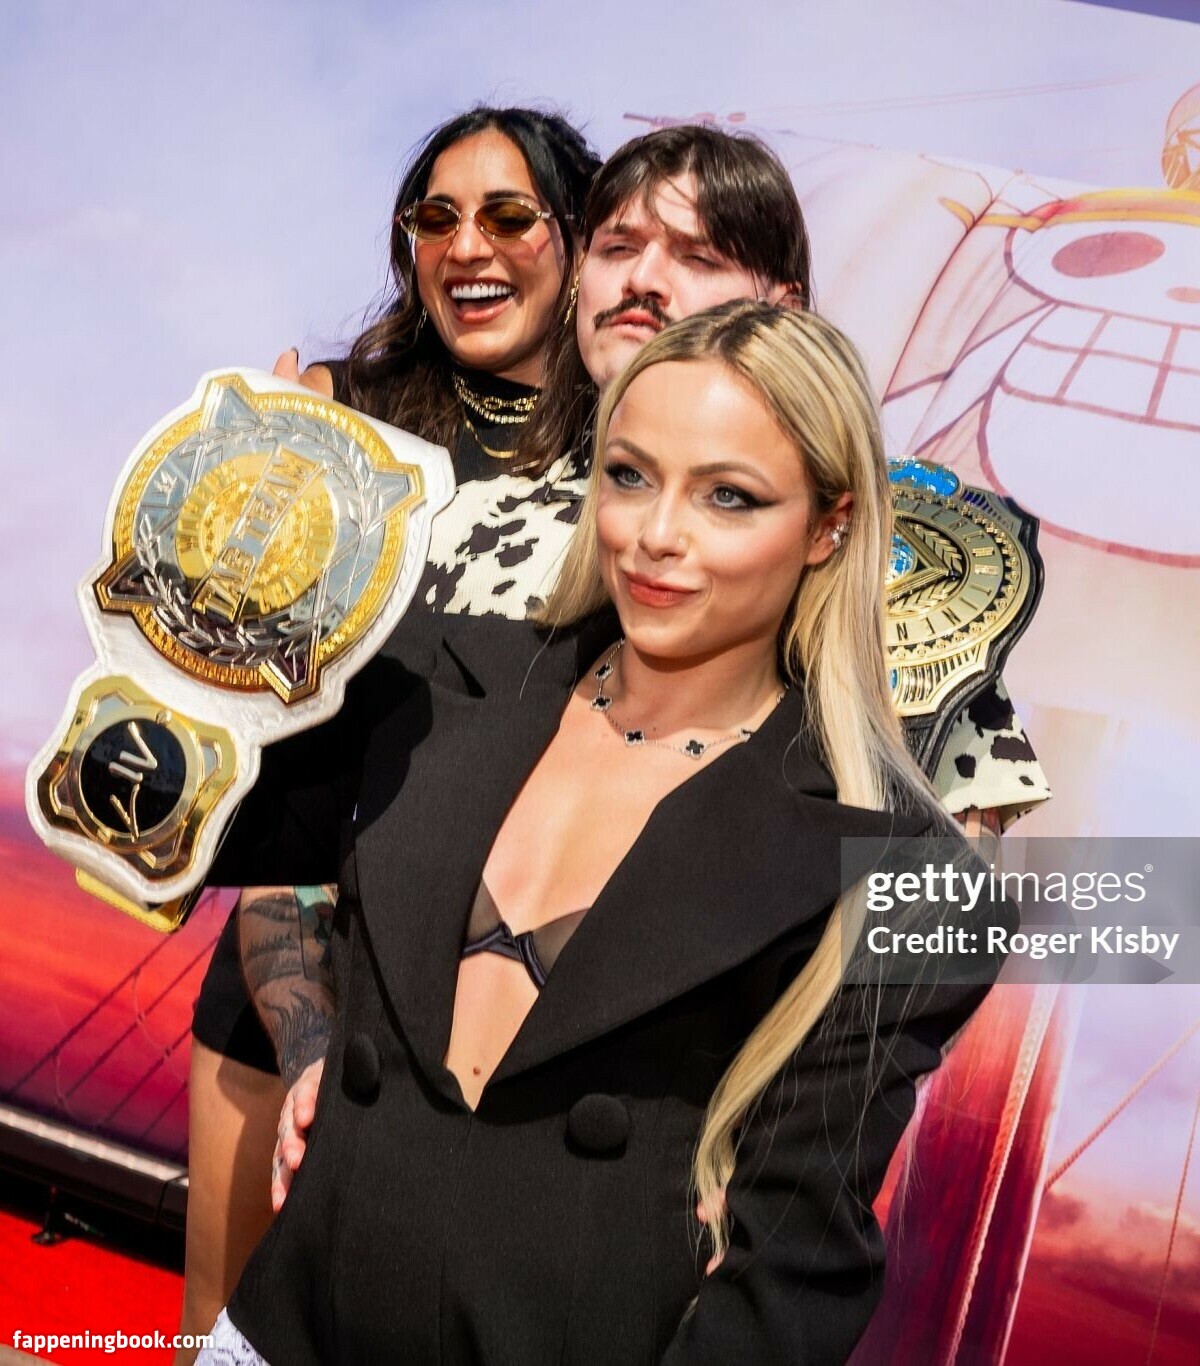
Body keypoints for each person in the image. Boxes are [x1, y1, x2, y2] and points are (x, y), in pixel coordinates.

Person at [237, 122, 1048, 1209]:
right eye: (618, 246)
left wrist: (765, 1154)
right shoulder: (440, 508)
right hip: (366, 1103)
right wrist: (316, 1044)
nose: (644, 280)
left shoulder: (880, 553)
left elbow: (941, 896)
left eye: (698, 255)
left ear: (783, 305)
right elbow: (309, 815)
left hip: (637, 1177)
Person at [195, 300, 1011, 1365]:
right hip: (282, 1333)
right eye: (629, 475)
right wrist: (238, 569)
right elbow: (197, 829)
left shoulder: (904, 871)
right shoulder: (437, 679)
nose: (656, 534)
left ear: (830, 526)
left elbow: (790, 1274)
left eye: (728, 495)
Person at [177, 103, 600, 1356]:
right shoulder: (335, 425)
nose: (469, 245)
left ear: (577, 239)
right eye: (436, 217)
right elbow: (271, 757)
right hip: (287, 991)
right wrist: (311, 1040)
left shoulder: (637, 470)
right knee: (219, 1340)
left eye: (510, 215)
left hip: (486, 1044)